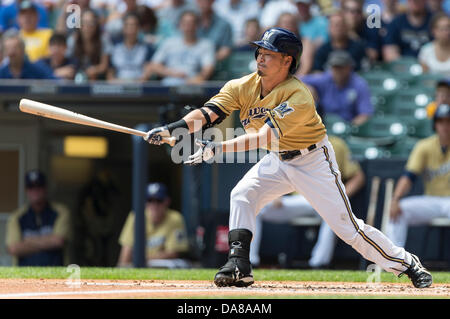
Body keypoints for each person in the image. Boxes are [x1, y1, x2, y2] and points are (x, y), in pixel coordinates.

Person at [144, 27, 433, 289]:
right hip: (278, 159)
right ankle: (239, 265)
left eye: (269, 54)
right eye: (260, 51)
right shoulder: (241, 86)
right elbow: (207, 115)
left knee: (348, 229)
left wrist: (216, 148)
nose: (261, 57)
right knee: (242, 194)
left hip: (312, 160)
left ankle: (407, 262)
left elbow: (262, 138)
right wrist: (172, 129)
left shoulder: (298, 95)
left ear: (287, 61)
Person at [250, 135, 366, 268]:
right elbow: (279, 173)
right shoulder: (291, 142)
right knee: (255, 208)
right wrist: (275, 194)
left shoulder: (336, 144)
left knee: (333, 213)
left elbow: (358, 177)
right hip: (299, 200)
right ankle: (250, 260)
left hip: (323, 199)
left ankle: (319, 263)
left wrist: (340, 197)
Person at [386, 103, 450, 248]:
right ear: (435, 124)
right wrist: (395, 198)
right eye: (441, 121)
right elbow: (409, 176)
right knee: (399, 210)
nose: (445, 126)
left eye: (448, 121)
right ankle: (396, 263)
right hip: (431, 200)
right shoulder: (424, 146)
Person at [5, 169, 71, 266]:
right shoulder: (17, 217)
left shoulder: (60, 212)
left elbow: (58, 241)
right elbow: (13, 248)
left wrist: (28, 241)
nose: (35, 191)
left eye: (39, 186)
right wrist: (48, 242)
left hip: (56, 274)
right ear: (26, 190)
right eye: (31, 187)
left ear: (45, 188)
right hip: (23, 276)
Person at [117, 183, 190, 268]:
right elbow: (126, 251)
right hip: (140, 266)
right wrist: (122, 268)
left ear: (167, 201)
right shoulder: (136, 216)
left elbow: (173, 253)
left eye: (159, 200)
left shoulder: (175, 218)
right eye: (150, 200)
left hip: (164, 268)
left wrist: (142, 259)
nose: (154, 205)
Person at [302, 50, 374, 125]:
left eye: (341, 67)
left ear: (349, 68)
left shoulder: (359, 84)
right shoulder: (326, 78)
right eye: (335, 67)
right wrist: (310, 90)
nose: (338, 71)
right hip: (324, 125)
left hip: (349, 126)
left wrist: (350, 127)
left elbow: (365, 114)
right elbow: (300, 80)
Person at [149, 10, 215, 86]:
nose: (188, 27)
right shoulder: (169, 43)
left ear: (197, 26)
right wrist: (172, 73)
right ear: (180, 25)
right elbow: (154, 65)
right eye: (185, 23)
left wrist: (199, 78)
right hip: (168, 84)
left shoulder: (206, 45)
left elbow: (208, 68)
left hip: (193, 84)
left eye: (191, 23)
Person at [107, 12, 155, 82]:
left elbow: (146, 76)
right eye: (127, 25)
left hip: (139, 88)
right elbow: (110, 76)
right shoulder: (115, 48)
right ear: (123, 27)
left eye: (133, 25)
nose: (130, 28)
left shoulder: (147, 49)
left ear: (139, 28)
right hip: (118, 86)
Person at [66, 9, 112, 81]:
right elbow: (67, 64)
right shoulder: (72, 40)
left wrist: (95, 69)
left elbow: (104, 66)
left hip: (98, 78)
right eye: (84, 23)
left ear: (96, 25)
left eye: (91, 23)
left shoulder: (103, 40)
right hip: (75, 77)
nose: (87, 27)